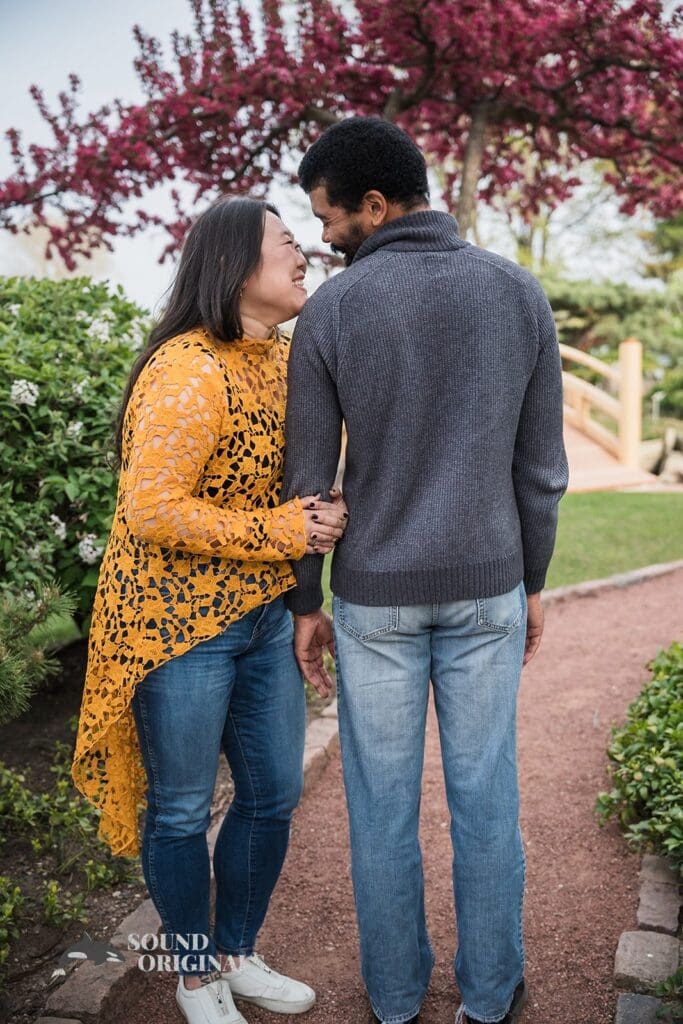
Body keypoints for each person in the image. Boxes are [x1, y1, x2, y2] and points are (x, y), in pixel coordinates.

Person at [282, 117, 569, 1024]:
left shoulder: (332, 309)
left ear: (373, 204)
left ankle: (398, 997)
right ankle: (488, 996)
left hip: (373, 598)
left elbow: (304, 477)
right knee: (486, 795)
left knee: (379, 808)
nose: (323, 237)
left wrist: (303, 601)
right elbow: (542, 470)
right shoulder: (516, 292)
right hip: (487, 584)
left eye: (327, 217)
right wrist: (530, 582)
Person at [72, 196, 348, 1024]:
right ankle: (195, 974)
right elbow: (151, 507)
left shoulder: (285, 356)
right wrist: (283, 527)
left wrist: (314, 522)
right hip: (175, 625)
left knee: (270, 795)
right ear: (235, 264)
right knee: (185, 808)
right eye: (287, 243)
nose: (303, 256)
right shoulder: (188, 368)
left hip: (261, 615)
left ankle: (236, 952)